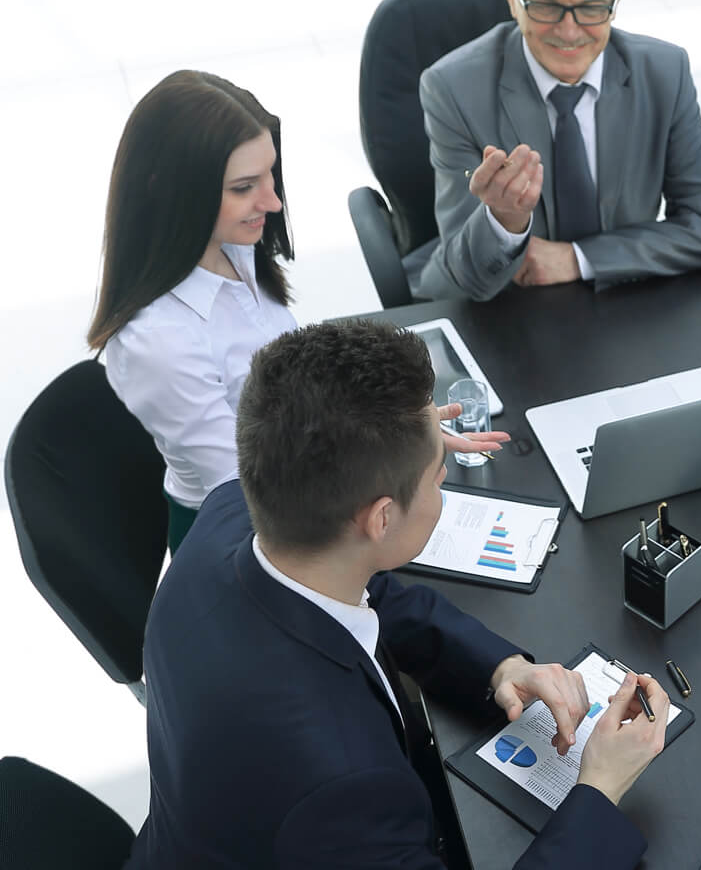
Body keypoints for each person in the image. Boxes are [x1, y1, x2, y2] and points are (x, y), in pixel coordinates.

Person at [127, 319, 669, 869]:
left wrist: (500, 667)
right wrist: (599, 787)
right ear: (381, 517)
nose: (442, 486)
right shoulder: (343, 786)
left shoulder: (228, 516)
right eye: (438, 477)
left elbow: (370, 590)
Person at [87, 71, 503, 550]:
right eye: (244, 187)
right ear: (169, 189)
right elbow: (251, 487)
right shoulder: (156, 342)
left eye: (270, 175)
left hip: (306, 489)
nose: (273, 201)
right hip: (244, 536)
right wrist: (394, 455)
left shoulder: (234, 251)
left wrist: (401, 430)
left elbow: (297, 397)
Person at [413, 0, 701, 301]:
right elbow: (465, 280)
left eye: (592, 8)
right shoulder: (452, 88)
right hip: (505, 310)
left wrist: (578, 258)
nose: (568, 32)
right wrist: (504, 221)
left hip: (621, 303)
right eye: (545, 6)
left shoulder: (665, 71)